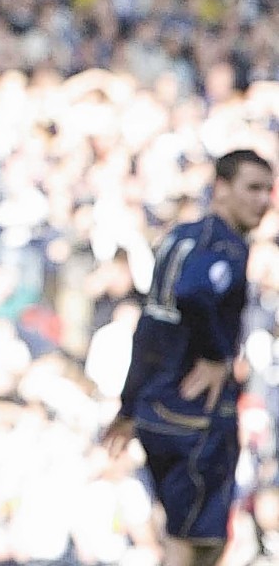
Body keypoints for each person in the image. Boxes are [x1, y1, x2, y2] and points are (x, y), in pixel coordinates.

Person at [103, 149, 276, 566]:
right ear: (220, 188)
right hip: (195, 413)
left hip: (156, 408)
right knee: (196, 542)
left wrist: (129, 406)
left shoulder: (179, 238)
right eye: (252, 188)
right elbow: (194, 293)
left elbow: (151, 328)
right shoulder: (224, 245)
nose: (263, 200)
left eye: (268, 190)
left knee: (185, 533)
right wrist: (217, 354)